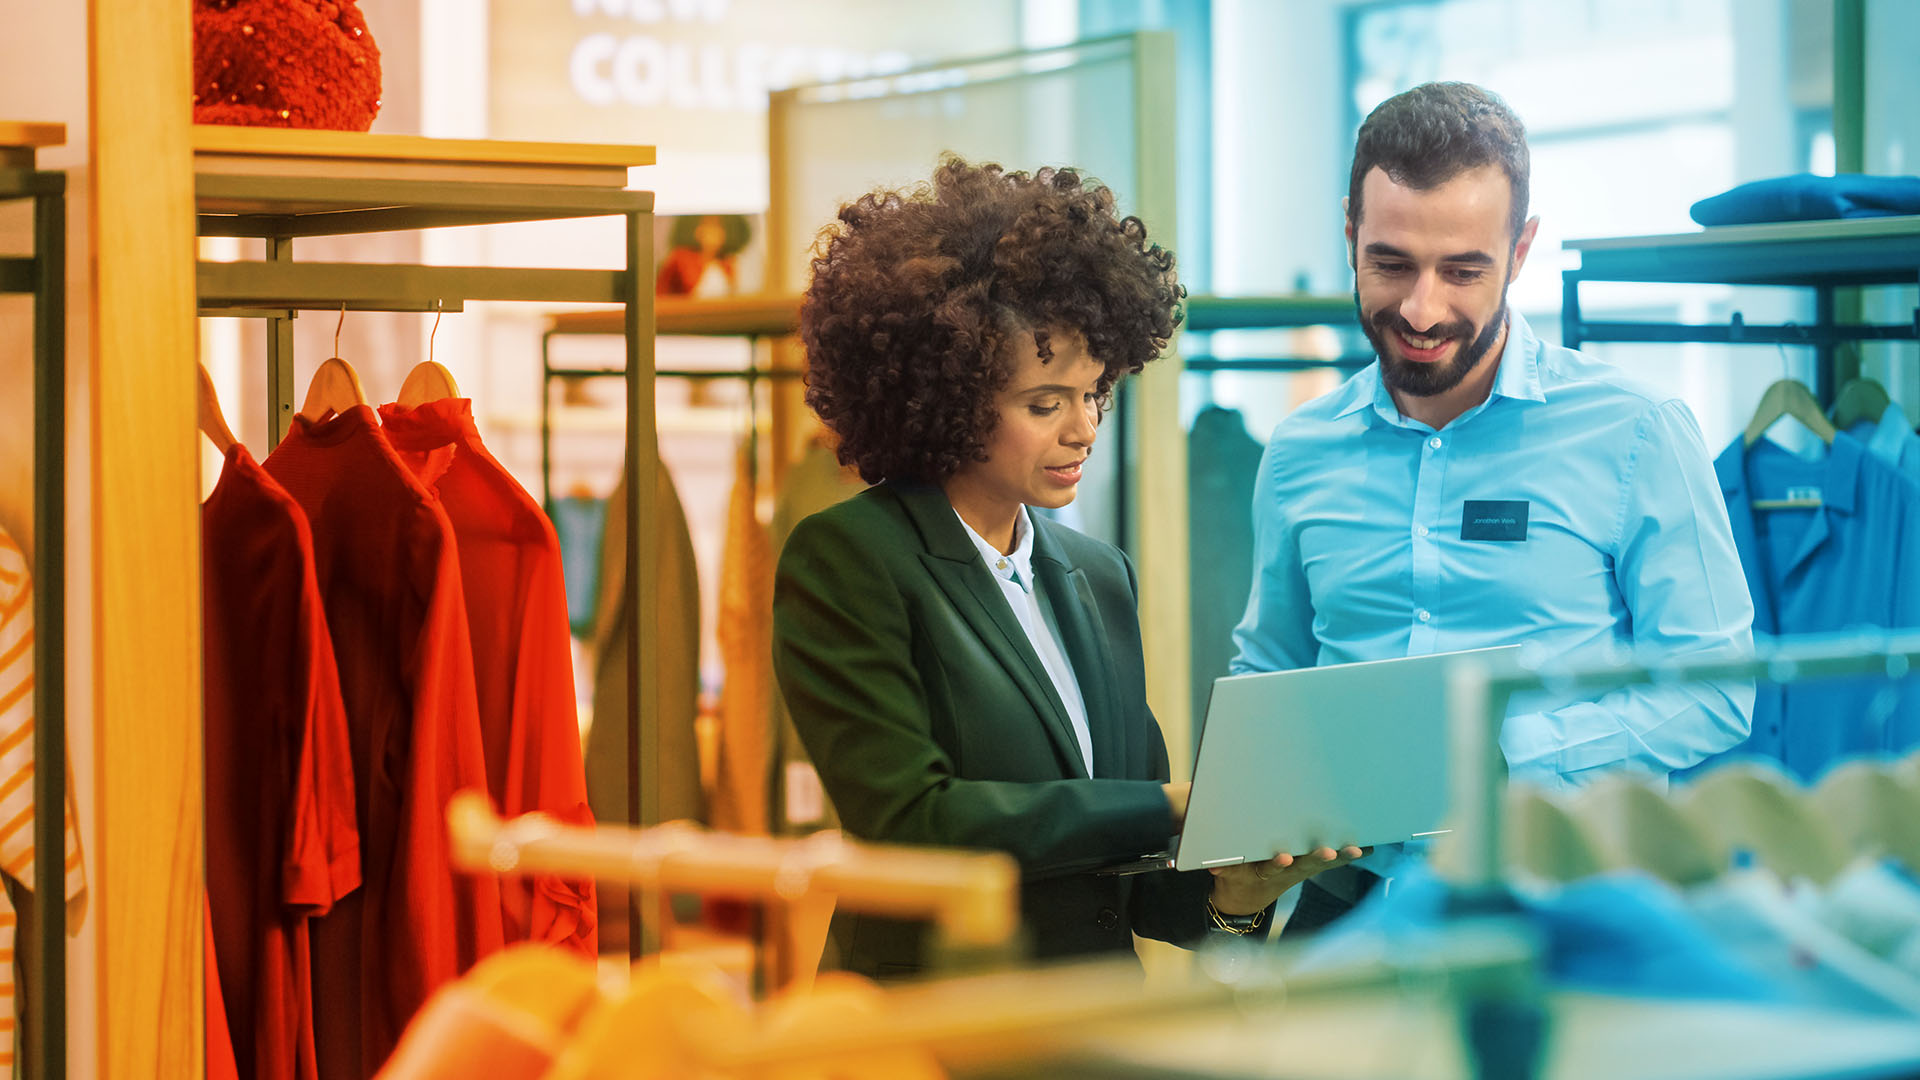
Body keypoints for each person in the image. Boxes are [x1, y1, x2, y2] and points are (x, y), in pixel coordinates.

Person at [773, 158, 1362, 978]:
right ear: (945, 396)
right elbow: (911, 818)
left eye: (1096, 394)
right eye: (1045, 403)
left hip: (1090, 1031)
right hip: (931, 1028)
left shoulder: (1097, 575)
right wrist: (1168, 807)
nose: (1084, 428)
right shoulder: (852, 559)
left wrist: (1238, 888)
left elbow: (1138, 890)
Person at [1230, 82, 1756, 934]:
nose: (1422, 310)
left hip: (1564, 901)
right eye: (1392, 263)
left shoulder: (1636, 433)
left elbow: (1717, 687)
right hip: (1346, 911)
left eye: (1463, 271)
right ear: (1350, 233)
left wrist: (1503, 756)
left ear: (1520, 253)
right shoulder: (1298, 452)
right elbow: (1272, 672)